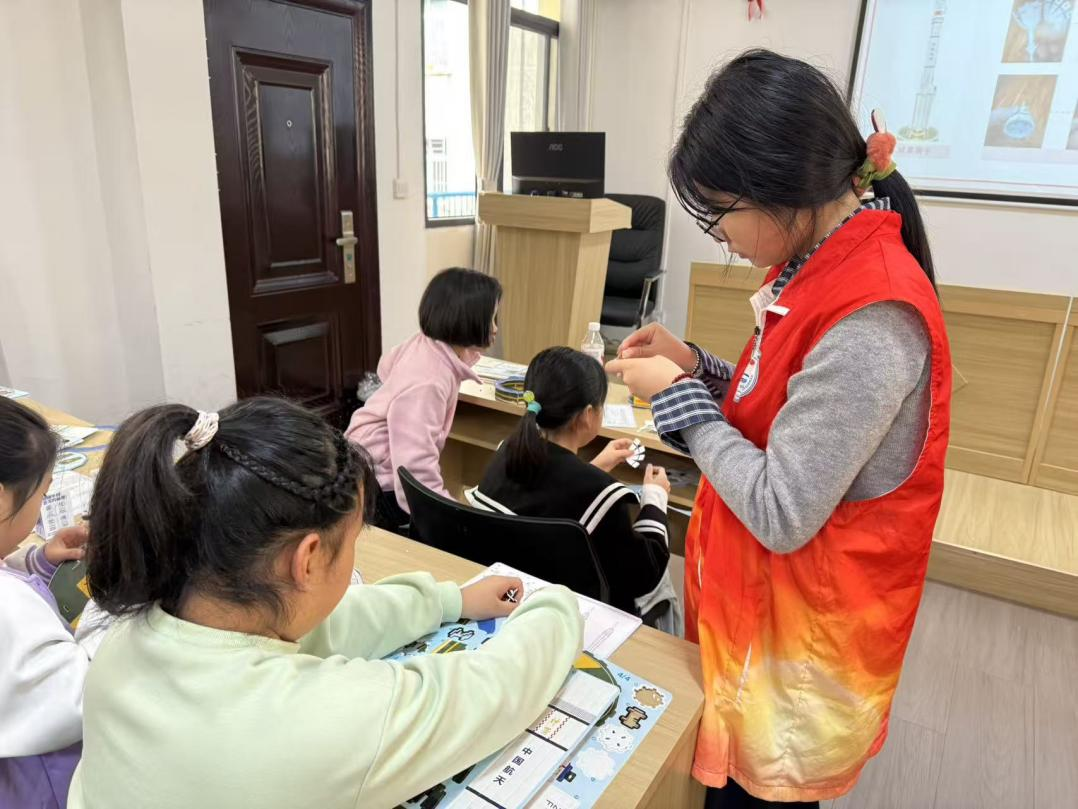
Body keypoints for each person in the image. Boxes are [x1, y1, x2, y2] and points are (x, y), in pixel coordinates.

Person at [607, 50, 952, 807]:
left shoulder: (873, 315)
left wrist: (679, 400)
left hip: (800, 648)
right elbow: (783, 407)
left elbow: (782, 507)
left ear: (777, 187)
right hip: (759, 619)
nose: (719, 236)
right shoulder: (815, 265)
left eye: (719, 212)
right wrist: (697, 365)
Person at [69, 397, 582, 809]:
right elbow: (494, 690)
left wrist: (449, 600)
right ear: (308, 559)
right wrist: (556, 600)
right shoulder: (316, 727)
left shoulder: (124, 642)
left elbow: (323, 624)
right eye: (354, 540)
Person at [467, 347, 679, 627]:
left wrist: (594, 468)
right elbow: (645, 575)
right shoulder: (604, 495)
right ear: (588, 415)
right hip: (578, 618)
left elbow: (549, 497)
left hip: (512, 600)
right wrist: (655, 497)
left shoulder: (505, 453)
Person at [0, 397, 105, 809]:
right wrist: (109, 609)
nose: (42, 508)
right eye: (42, 496)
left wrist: (38, 564)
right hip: (40, 782)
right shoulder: (8, 609)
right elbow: (78, 697)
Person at [346, 267, 502, 534]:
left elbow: (386, 367)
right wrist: (450, 517)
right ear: (467, 318)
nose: (496, 329)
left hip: (363, 462)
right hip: (377, 481)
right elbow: (414, 468)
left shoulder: (426, 344)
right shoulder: (429, 381)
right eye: (492, 319)